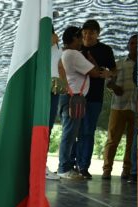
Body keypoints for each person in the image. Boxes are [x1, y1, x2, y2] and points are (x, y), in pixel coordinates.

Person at [57, 26, 110, 179]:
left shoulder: (63, 53)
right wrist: (92, 62)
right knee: (70, 133)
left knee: (69, 132)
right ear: (74, 38)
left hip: (67, 97)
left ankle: (65, 166)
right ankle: (64, 168)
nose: (82, 41)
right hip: (73, 98)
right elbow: (94, 73)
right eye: (80, 37)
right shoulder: (74, 54)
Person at [77, 19, 117, 179]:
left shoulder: (105, 50)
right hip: (75, 96)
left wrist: (109, 74)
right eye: (85, 32)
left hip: (94, 97)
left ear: (98, 34)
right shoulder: (75, 47)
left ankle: (83, 167)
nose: (88, 35)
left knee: (88, 131)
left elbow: (114, 70)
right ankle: (69, 164)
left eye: (92, 32)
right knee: (73, 130)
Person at [102, 34, 137, 180]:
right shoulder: (119, 64)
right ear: (128, 45)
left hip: (137, 108)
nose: (135, 46)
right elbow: (109, 82)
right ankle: (106, 170)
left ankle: (127, 171)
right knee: (112, 139)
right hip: (119, 106)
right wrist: (115, 87)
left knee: (133, 141)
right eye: (133, 43)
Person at [46, 28, 66, 180]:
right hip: (40, 87)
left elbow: (60, 66)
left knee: (47, 127)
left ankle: (41, 164)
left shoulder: (59, 46)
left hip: (53, 89)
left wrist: (64, 84)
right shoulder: (35, 40)